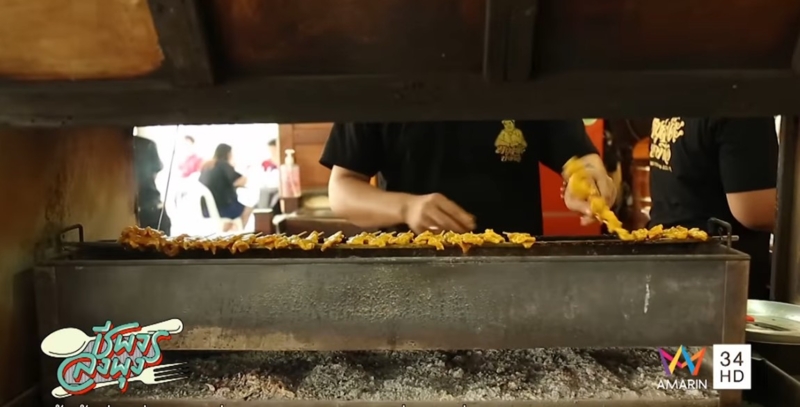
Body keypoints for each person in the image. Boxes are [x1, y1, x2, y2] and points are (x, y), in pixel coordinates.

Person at [319, 120, 616, 234]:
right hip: (411, 275)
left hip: (514, 272)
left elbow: (582, 159)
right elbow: (343, 189)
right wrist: (407, 207)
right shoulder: (384, 69)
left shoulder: (524, 70)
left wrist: (592, 183)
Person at [648, 117, 777, 300]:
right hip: (717, 285)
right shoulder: (745, 109)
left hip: (664, 267)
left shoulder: (676, 98)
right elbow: (755, 212)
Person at [199, 143, 253, 230]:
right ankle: (238, 233)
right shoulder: (223, 165)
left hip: (206, 209)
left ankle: (227, 230)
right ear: (228, 154)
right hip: (223, 208)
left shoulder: (206, 166)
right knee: (248, 210)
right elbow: (241, 181)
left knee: (229, 220)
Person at [133, 136, 171, 234]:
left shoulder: (146, 145)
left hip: (148, 211)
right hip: (151, 209)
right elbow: (155, 171)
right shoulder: (147, 144)